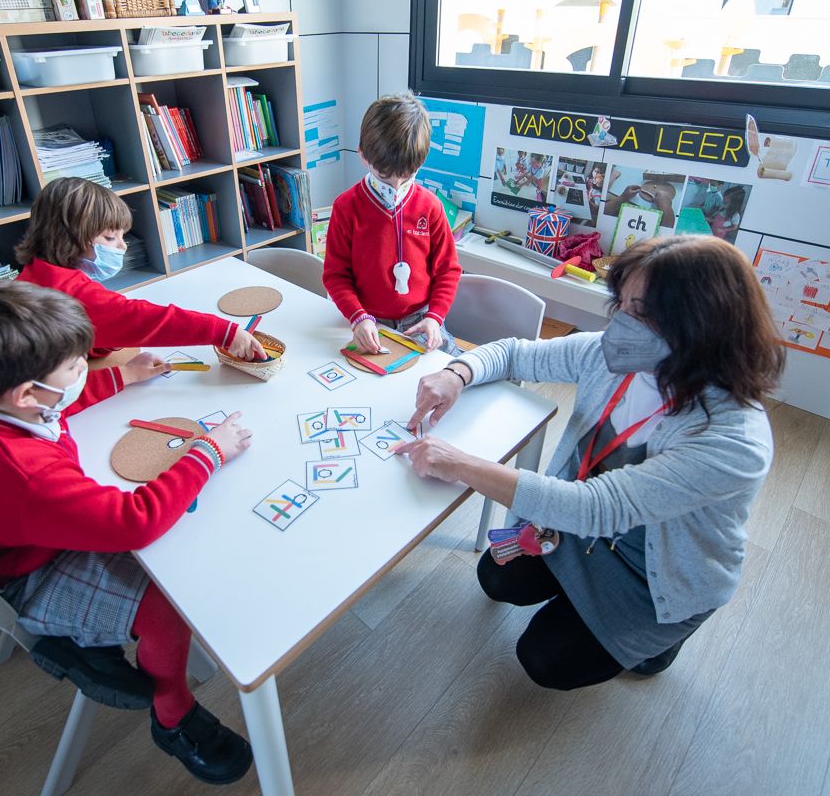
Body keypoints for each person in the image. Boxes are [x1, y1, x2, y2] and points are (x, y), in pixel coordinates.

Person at [393, 235, 784, 690]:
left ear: (699, 326)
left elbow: (593, 507)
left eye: (640, 310)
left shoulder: (733, 438)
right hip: (575, 533)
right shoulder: (616, 356)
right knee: (497, 578)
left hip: (654, 577)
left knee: (544, 660)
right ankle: (576, 598)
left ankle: (659, 643)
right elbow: (515, 353)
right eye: (621, 302)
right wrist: (455, 373)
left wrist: (461, 465)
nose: (620, 322)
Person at [0, 280, 255, 784]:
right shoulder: (26, 473)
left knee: (178, 559)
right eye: (76, 365)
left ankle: (93, 644)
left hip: (26, 538)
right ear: (26, 394)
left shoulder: (1, 410)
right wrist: (208, 452)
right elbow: (137, 523)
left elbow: (61, 409)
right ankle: (172, 715)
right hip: (24, 575)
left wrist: (121, 377)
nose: (88, 365)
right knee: (171, 596)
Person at [0, 177, 264, 474]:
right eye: (108, 238)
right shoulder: (69, 290)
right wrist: (226, 331)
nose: (120, 246)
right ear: (69, 237)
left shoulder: (39, 272)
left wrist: (115, 368)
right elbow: (143, 319)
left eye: (120, 236)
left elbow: (92, 334)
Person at [322, 92, 462, 356]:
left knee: (457, 375)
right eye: (385, 176)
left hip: (421, 321)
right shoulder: (346, 207)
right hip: (369, 323)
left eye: (407, 176)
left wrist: (435, 317)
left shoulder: (431, 207)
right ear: (363, 155)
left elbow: (448, 271)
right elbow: (335, 275)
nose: (396, 186)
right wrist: (358, 317)